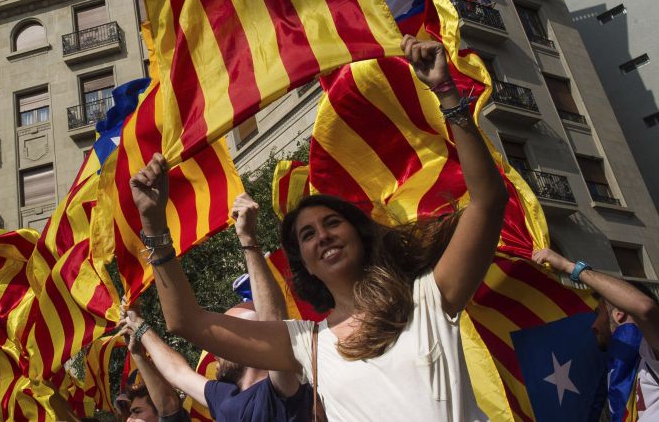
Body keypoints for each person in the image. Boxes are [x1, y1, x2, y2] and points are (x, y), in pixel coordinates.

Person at [130, 35, 509, 422]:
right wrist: (153, 223)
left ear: (361, 237)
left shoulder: (429, 298)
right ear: (305, 265)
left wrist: (446, 92)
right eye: (307, 235)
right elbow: (186, 322)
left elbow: (488, 202)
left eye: (332, 223)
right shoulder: (306, 345)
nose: (322, 235)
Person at [120, 195, 312, 422]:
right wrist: (139, 327)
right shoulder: (226, 397)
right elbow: (178, 373)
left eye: (227, 335)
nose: (214, 352)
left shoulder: (283, 392)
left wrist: (248, 239)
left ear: (254, 341)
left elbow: (275, 325)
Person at [533, 249, 659, 421]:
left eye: (598, 314)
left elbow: (644, 308)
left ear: (619, 313)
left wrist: (569, 267)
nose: (593, 325)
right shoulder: (629, 370)